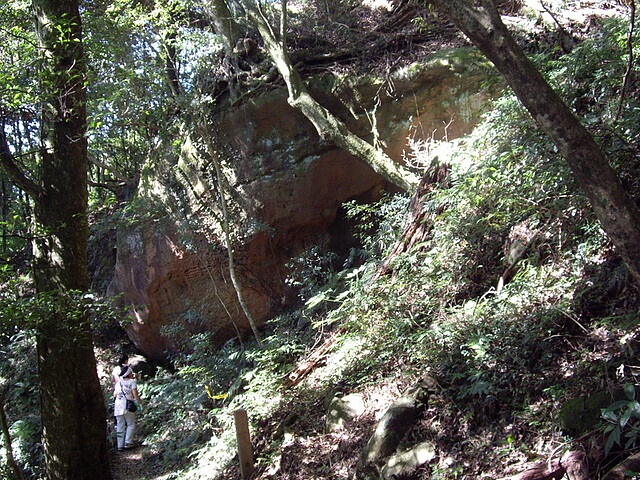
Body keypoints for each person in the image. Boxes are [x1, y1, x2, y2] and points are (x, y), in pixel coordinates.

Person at [113, 365, 143, 451]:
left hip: (118, 405)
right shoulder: (132, 382)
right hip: (128, 405)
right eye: (131, 372)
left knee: (120, 425)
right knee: (130, 424)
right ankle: (128, 442)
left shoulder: (118, 383)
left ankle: (119, 446)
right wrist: (140, 403)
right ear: (128, 373)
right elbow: (135, 394)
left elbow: (115, 394)